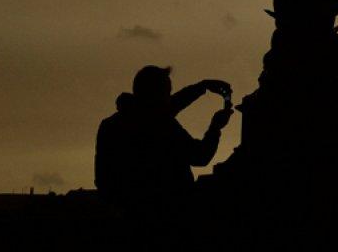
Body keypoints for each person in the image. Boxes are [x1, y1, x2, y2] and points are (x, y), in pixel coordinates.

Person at [95, 65, 234, 214]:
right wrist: (215, 128)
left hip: (126, 214)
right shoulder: (162, 126)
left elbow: (103, 180)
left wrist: (202, 87)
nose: (169, 98)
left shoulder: (110, 126)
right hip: (167, 213)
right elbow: (200, 156)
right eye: (167, 93)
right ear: (158, 96)